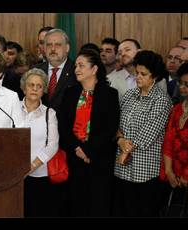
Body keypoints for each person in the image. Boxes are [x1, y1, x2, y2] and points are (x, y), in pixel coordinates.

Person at [58, 49, 120, 216]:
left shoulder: (110, 94)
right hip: (74, 157)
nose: (76, 69)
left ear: (94, 69)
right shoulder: (70, 93)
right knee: (75, 204)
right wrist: (77, 148)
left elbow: (110, 128)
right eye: (76, 65)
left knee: (98, 204)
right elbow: (62, 126)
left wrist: (89, 150)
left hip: (99, 159)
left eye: (81, 65)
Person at [113, 50, 172, 217]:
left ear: (154, 76)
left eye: (143, 74)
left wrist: (125, 145)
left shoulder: (161, 100)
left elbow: (147, 135)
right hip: (121, 168)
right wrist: (120, 140)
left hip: (145, 171)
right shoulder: (129, 95)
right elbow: (116, 124)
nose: (138, 77)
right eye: (137, 72)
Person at [21, 68, 59, 217]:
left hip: (39, 175)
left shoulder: (50, 113)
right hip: (12, 174)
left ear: (44, 90)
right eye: (31, 85)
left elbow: (52, 145)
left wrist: (31, 166)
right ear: (24, 87)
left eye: (39, 86)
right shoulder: (12, 108)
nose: (35, 89)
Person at [160, 61, 188, 215]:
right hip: (174, 175)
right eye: (181, 83)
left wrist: (187, 174)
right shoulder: (176, 109)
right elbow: (168, 141)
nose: (182, 87)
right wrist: (169, 171)